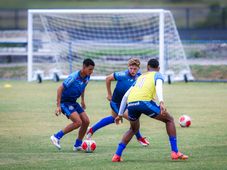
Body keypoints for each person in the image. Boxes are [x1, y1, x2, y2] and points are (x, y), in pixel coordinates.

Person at [112, 58, 188, 162]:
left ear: (147, 67)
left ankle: (117, 156)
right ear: (159, 68)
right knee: (169, 120)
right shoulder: (157, 75)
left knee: (133, 129)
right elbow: (159, 87)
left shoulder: (140, 77)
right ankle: (175, 152)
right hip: (144, 102)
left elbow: (125, 96)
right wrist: (161, 101)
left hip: (131, 104)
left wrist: (120, 114)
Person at [86, 58, 149, 146]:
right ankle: (139, 138)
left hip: (127, 103)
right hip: (116, 103)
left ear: (138, 68)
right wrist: (109, 94)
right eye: (131, 68)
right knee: (133, 118)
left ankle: (92, 130)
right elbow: (108, 78)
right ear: (128, 67)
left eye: (135, 69)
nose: (132, 70)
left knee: (113, 118)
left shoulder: (139, 76)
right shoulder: (122, 75)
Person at [50, 58, 95, 151]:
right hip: (65, 102)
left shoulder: (87, 77)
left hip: (73, 102)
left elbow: (83, 87)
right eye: (90, 69)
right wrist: (58, 106)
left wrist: (82, 100)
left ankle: (78, 144)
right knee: (78, 122)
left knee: (86, 121)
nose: (91, 71)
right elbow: (59, 89)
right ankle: (56, 137)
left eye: (92, 69)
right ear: (84, 67)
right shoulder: (74, 77)